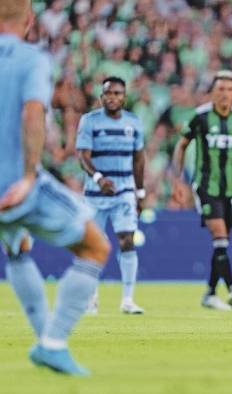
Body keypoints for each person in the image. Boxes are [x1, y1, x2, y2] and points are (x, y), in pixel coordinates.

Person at [0, 0, 111, 375]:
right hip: (13, 185)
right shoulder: (32, 58)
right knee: (95, 245)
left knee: (17, 247)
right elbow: (33, 113)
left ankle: (45, 339)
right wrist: (29, 176)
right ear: (30, 21)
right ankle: (53, 341)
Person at [173, 70, 232, 310]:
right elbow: (181, 146)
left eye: (229, 89)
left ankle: (210, 293)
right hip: (205, 187)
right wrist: (177, 180)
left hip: (230, 191)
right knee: (220, 238)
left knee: (222, 244)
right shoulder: (200, 117)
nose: (224, 94)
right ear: (212, 92)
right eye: (220, 89)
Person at [75, 76, 146, 314]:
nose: (112, 97)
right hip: (95, 193)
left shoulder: (133, 122)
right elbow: (83, 156)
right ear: (101, 97)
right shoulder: (89, 121)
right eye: (108, 93)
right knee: (93, 245)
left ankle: (127, 299)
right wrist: (98, 178)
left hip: (124, 191)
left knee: (127, 240)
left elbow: (138, 159)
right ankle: (90, 298)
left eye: (117, 93)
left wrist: (140, 191)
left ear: (124, 97)